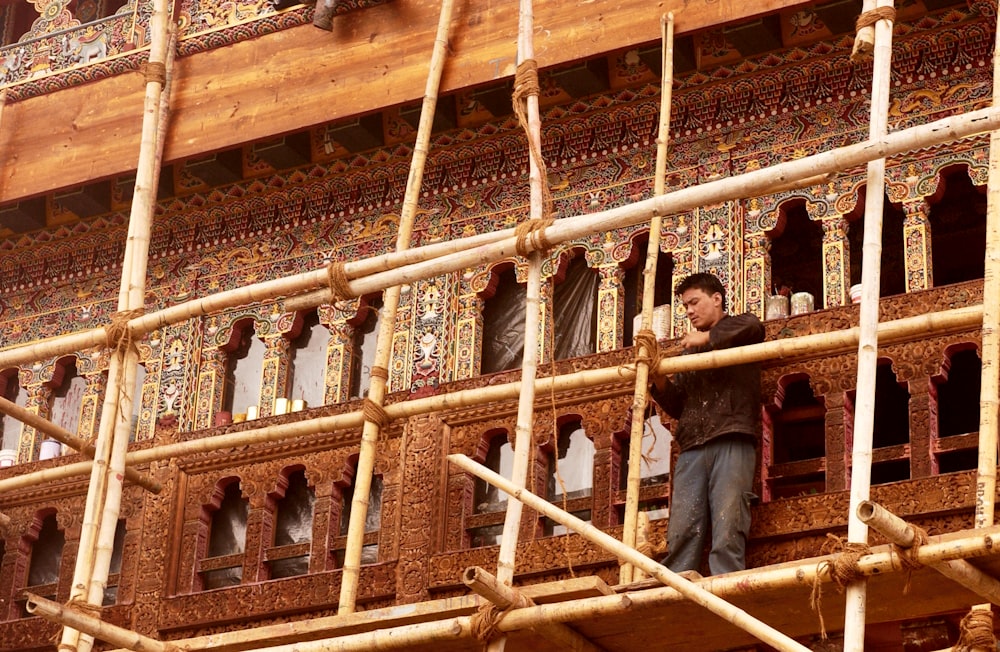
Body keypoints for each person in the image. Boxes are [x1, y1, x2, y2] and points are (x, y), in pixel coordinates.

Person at [649, 272, 765, 576]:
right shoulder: (691, 350)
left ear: (717, 299)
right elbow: (678, 405)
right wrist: (658, 378)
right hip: (692, 447)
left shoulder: (741, 328)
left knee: (730, 521)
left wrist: (710, 337)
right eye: (685, 306)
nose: (689, 311)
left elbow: (753, 325)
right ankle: (678, 582)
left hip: (731, 437)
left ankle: (726, 583)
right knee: (683, 526)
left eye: (694, 302)